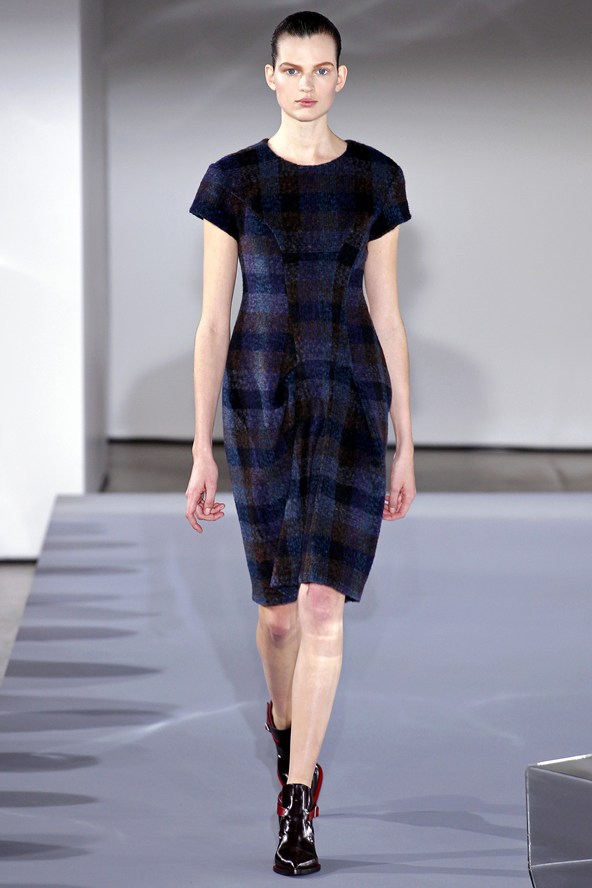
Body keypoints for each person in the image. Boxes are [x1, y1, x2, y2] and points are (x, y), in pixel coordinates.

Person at [185, 9, 415, 877]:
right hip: (260, 399)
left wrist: (407, 440)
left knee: (322, 606)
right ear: (271, 76)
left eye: (323, 69)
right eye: (293, 69)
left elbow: (388, 314)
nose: (307, 84)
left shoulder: (376, 178)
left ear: (341, 77)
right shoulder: (232, 181)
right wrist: (201, 448)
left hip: (351, 397)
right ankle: (287, 727)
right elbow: (213, 322)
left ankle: (296, 804)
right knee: (278, 614)